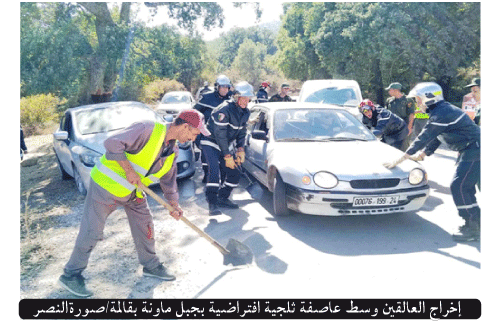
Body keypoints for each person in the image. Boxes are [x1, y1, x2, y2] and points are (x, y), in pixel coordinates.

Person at [58, 109, 210, 297]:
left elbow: (169, 178)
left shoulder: (173, 149)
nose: (193, 139)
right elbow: (112, 143)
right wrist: (129, 170)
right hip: (106, 188)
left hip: (135, 193)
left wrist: (173, 203)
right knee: (92, 232)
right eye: (194, 134)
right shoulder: (147, 128)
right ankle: (71, 275)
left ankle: (151, 266)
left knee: (145, 227)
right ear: (185, 126)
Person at [383, 82, 480, 242]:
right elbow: (437, 136)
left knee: (460, 186)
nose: (417, 103)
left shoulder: (442, 112)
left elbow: (425, 136)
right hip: (471, 149)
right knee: (464, 186)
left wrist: (403, 157)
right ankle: (475, 223)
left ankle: (473, 228)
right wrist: (423, 155)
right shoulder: (441, 110)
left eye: (419, 100)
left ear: (429, 98)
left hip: (475, 148)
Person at [201, 81, 253, 216]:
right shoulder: (223, 110)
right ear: (236, 97)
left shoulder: (245, 112)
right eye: (243, 98)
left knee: (234, 173)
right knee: (214, 172)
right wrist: (228, 156)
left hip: (224, 145)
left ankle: (222, 198)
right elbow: (220, 134)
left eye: (248, 99)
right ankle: (212, 203)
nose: (246, 102)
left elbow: (241, 132)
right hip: (211, 142)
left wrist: (240, 148)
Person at [194, 75, 232, 183]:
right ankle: (207, 175)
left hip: (224, 135)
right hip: (208, 133)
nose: (225, 89)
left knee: (224, 158)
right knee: (206, 158)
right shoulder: (207, 98)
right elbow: (195, 112)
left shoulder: (230, 99)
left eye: (227, 87)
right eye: (222, 87)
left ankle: (222, 180)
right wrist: (199, 129)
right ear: (217, 87)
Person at [385, 82, 416, 151]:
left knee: (403, 147)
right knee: (391, 146)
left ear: (396, 90)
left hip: (404, 127)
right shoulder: (389, 100)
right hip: (392, 127)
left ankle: (406, 160)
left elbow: (411, 114)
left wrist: (409, 127)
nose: (389, 91)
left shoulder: (408, 100)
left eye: (390, 90)